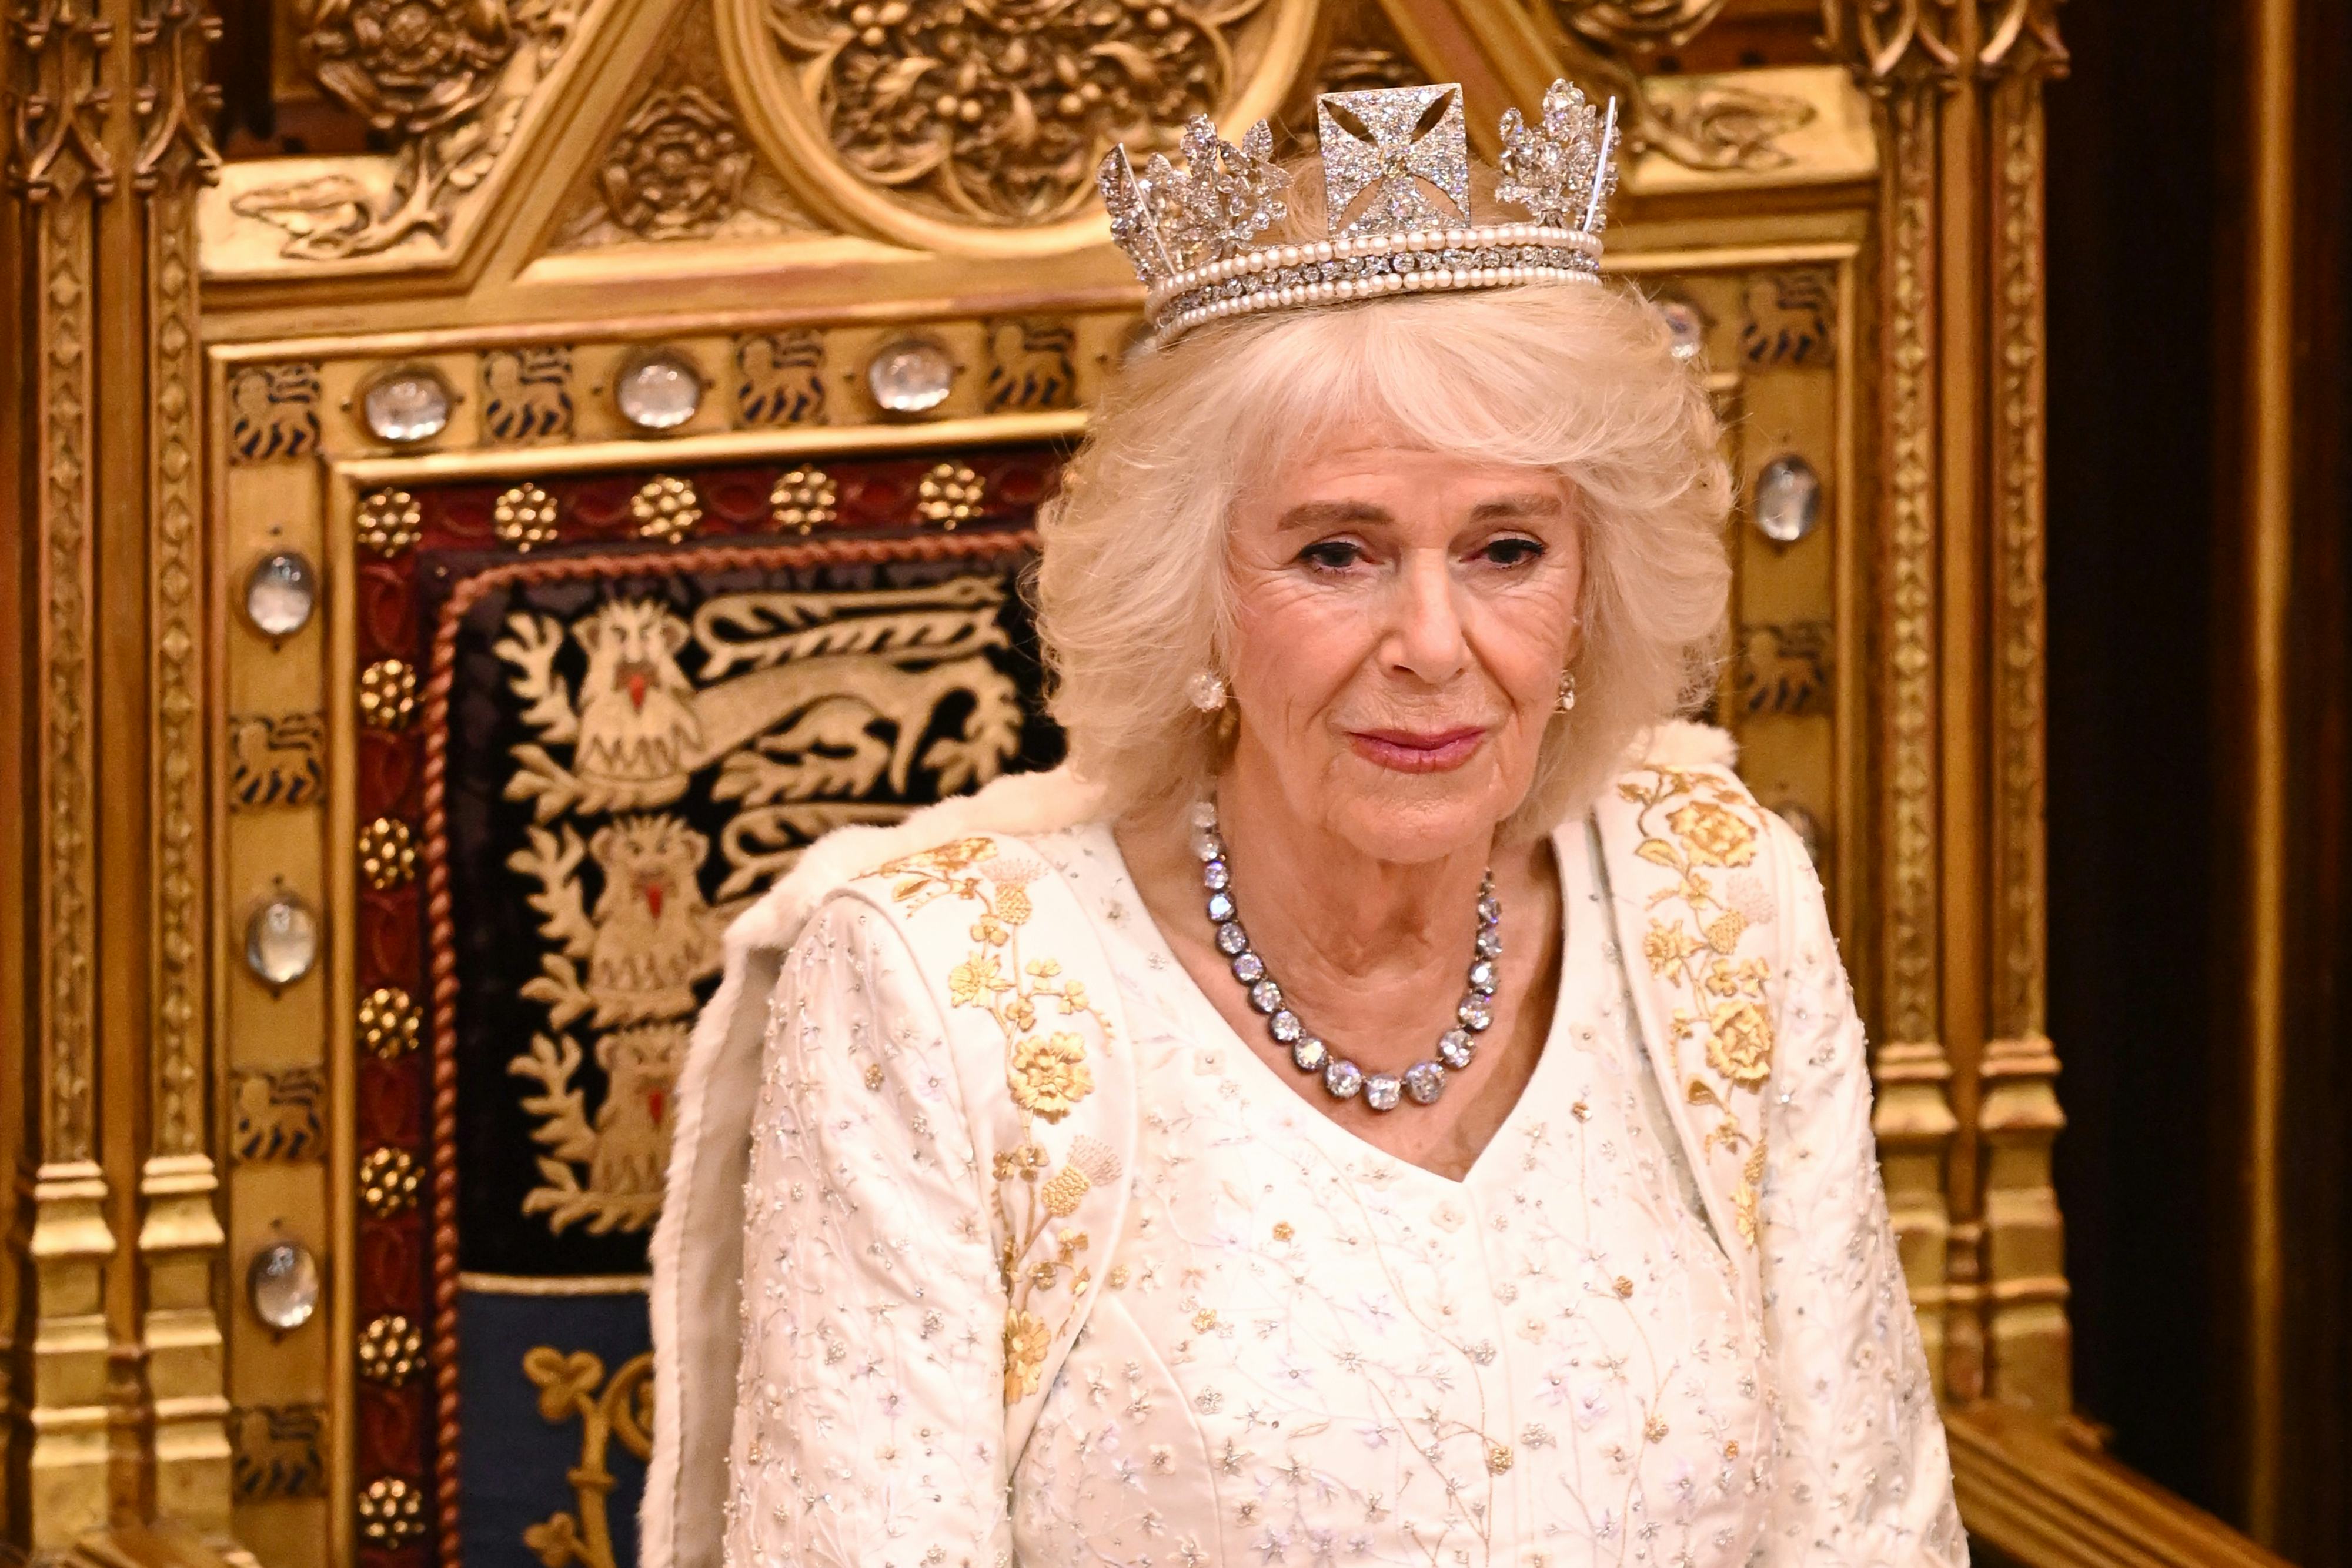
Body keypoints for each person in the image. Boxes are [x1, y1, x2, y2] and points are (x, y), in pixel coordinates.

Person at [642, 79, 1965, 1568]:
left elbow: (1863, 1528)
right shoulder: (938, 991)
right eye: (1335, 551)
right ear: (1195, 589)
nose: (1431, 641)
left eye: (1505, 548)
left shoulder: (1718, 897)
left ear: (1593, 586)